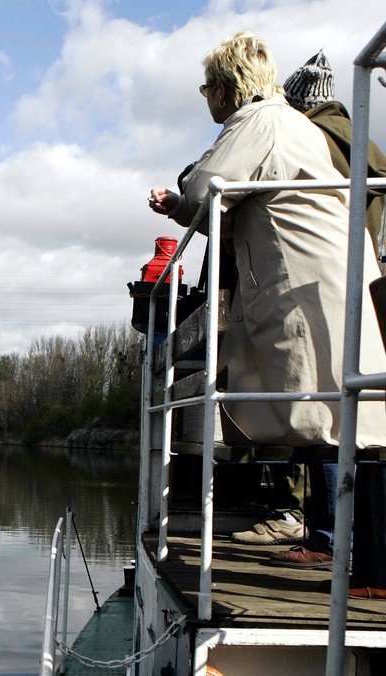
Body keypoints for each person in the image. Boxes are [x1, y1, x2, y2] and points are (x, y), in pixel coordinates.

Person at [147, 32, 386, 577]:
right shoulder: (288, 123)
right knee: (356, 424)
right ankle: (367, 562)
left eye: (208, 86)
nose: (205, 96)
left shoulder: (259, 122)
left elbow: (209, 189)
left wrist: (178, 202)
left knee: (347, 425)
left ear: (229, 88)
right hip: (331, 286)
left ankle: (376, 569)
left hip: (312, 291)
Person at [263, 50, 386, 594]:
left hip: (338, 286)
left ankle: (338, 544)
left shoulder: (319, 139)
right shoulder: (351, 138)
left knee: (339, 426)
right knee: (340, 424)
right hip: (354, 283)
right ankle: (328, 538)